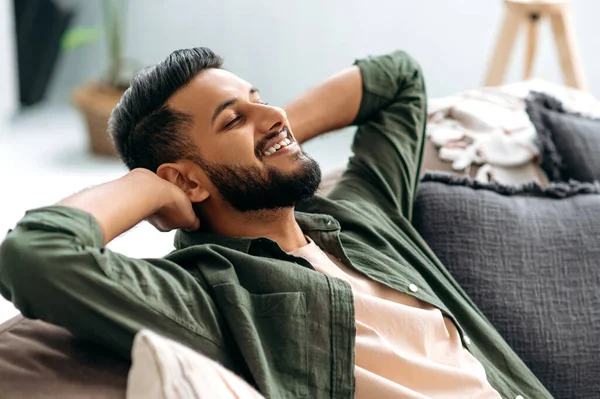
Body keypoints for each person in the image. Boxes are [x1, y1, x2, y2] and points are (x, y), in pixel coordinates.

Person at [0, 47, 550, 399]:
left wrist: (273, 137)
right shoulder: (211, 295)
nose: (273, 114)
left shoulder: (360, 214)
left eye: (260, 100)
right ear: (187, 180)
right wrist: (147, 188)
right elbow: (36, 255)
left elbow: (398, 79)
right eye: (233, 119)